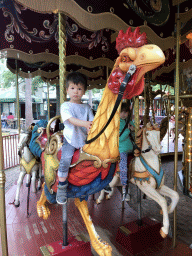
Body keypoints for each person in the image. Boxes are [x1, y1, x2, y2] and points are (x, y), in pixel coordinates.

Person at [56, 72, 94, 204]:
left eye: (79, 88)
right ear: (67, 90)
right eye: (72, 88)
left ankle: (97, 180)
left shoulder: (87, 107)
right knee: (66, 158)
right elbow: (70, 120)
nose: (75, 91)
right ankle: (62, 187)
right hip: (71, 139)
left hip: (84, 140)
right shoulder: (66, 106)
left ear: (84, 91)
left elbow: (93, 121)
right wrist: (85, 124)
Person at [119, 103, 135, 202]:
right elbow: (120, 139)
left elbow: (135, 132)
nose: (124, 114)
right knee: (124, 168)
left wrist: (133, 129)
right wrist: (129, 130)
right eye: (122, 112)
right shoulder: (116, 123)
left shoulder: (129, 121)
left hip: (131, 148)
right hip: (122, 149)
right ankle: (124, 189)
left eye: (126, 112)